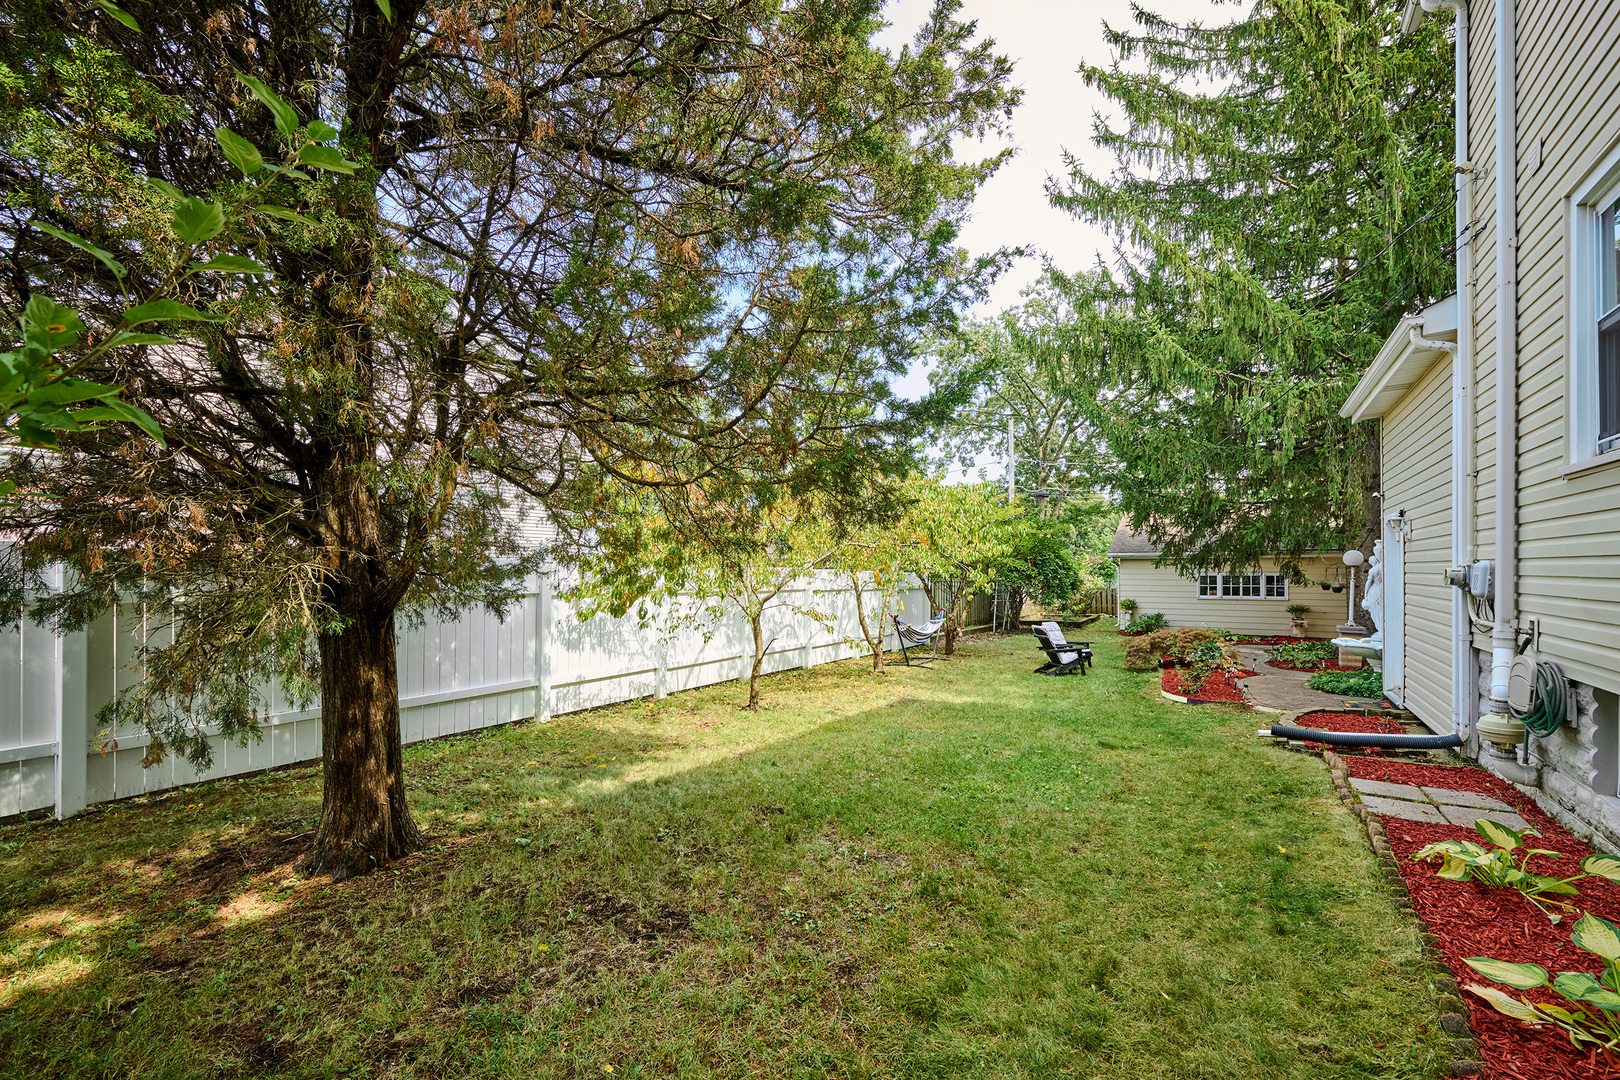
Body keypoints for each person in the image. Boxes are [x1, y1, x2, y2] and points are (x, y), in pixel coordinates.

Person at [1360, 540, 1384, 634]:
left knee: (1377, 610)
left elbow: (1368, 583)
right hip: (1382, 589)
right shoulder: (1384, 567)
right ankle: (1381, 629)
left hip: (1375, 591)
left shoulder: (1373, 570)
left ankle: (1381, 629)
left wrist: (1365, 593)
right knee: (1380, 609)